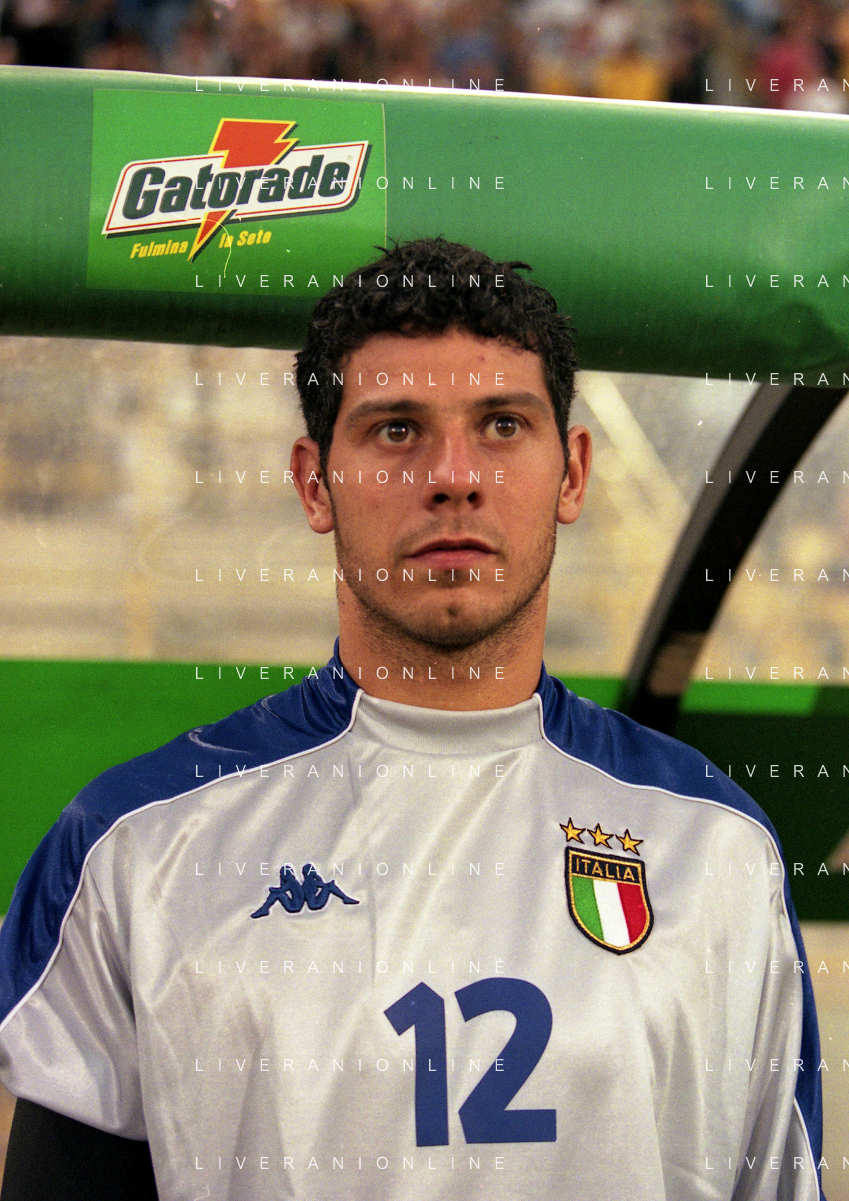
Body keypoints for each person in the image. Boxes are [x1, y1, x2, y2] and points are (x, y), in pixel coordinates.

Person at [0, 238, 824, 1200]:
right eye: (396, 430)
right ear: (315, 482)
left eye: (502, 425)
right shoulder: (135, 848)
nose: (453, 475)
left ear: (571, 473)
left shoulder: (716, 847)